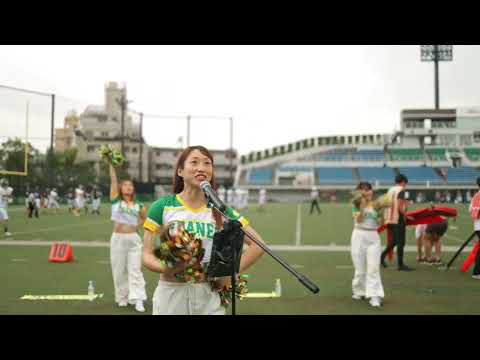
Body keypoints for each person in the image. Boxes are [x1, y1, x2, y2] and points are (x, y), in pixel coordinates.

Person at [142, 146, 265, 315]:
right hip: (171, 295)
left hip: (209, 297)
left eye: (207, 163)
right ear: (180, 171)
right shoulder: (162, 206)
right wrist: (169, 268)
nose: (201, 167)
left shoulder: (221, 209)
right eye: (194, 162)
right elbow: (146, 255)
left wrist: (229, 274)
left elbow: (258, 245)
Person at [108, 163, 147, 312]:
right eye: (125, 185)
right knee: (118, 271)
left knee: (135, 270)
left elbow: (145, 220)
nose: (128, 187)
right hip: (117, 239)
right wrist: (111, 165)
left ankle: (138, 299)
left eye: (130, 185)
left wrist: (137, 224)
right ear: (120, 188)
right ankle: (122, 297)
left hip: (133, 240)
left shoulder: (139, 205)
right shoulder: (116, 200)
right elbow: (113, 180)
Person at [350, 182, 385, 308]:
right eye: (363, 190)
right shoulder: (355, 203)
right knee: (360, 269)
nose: (366, 192)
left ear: (371, 191)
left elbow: (381, 223)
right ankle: (359, 291)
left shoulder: (377, 204)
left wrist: (381, 213)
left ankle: (375, 296)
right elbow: (359, 220)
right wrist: (362, 207)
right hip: (359, 235)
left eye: (368, 189)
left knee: (373, 268)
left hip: (373, 237)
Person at [380, 174, 414, 271]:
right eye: (405, 183)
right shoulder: (402, 190)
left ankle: (381, 257)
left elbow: (385, 204)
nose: (405, 185)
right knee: (400, 242)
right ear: (403, 181)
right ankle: (400, 265)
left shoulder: (390, 190)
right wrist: (407, 215)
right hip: (397, 219)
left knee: (394, 241)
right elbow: (400, 207)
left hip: (389, 219)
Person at [468, 177, 480, 279]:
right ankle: (476, 272)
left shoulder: (476, 196)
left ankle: (476, 272)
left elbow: (470, 211)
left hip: (477, 226)